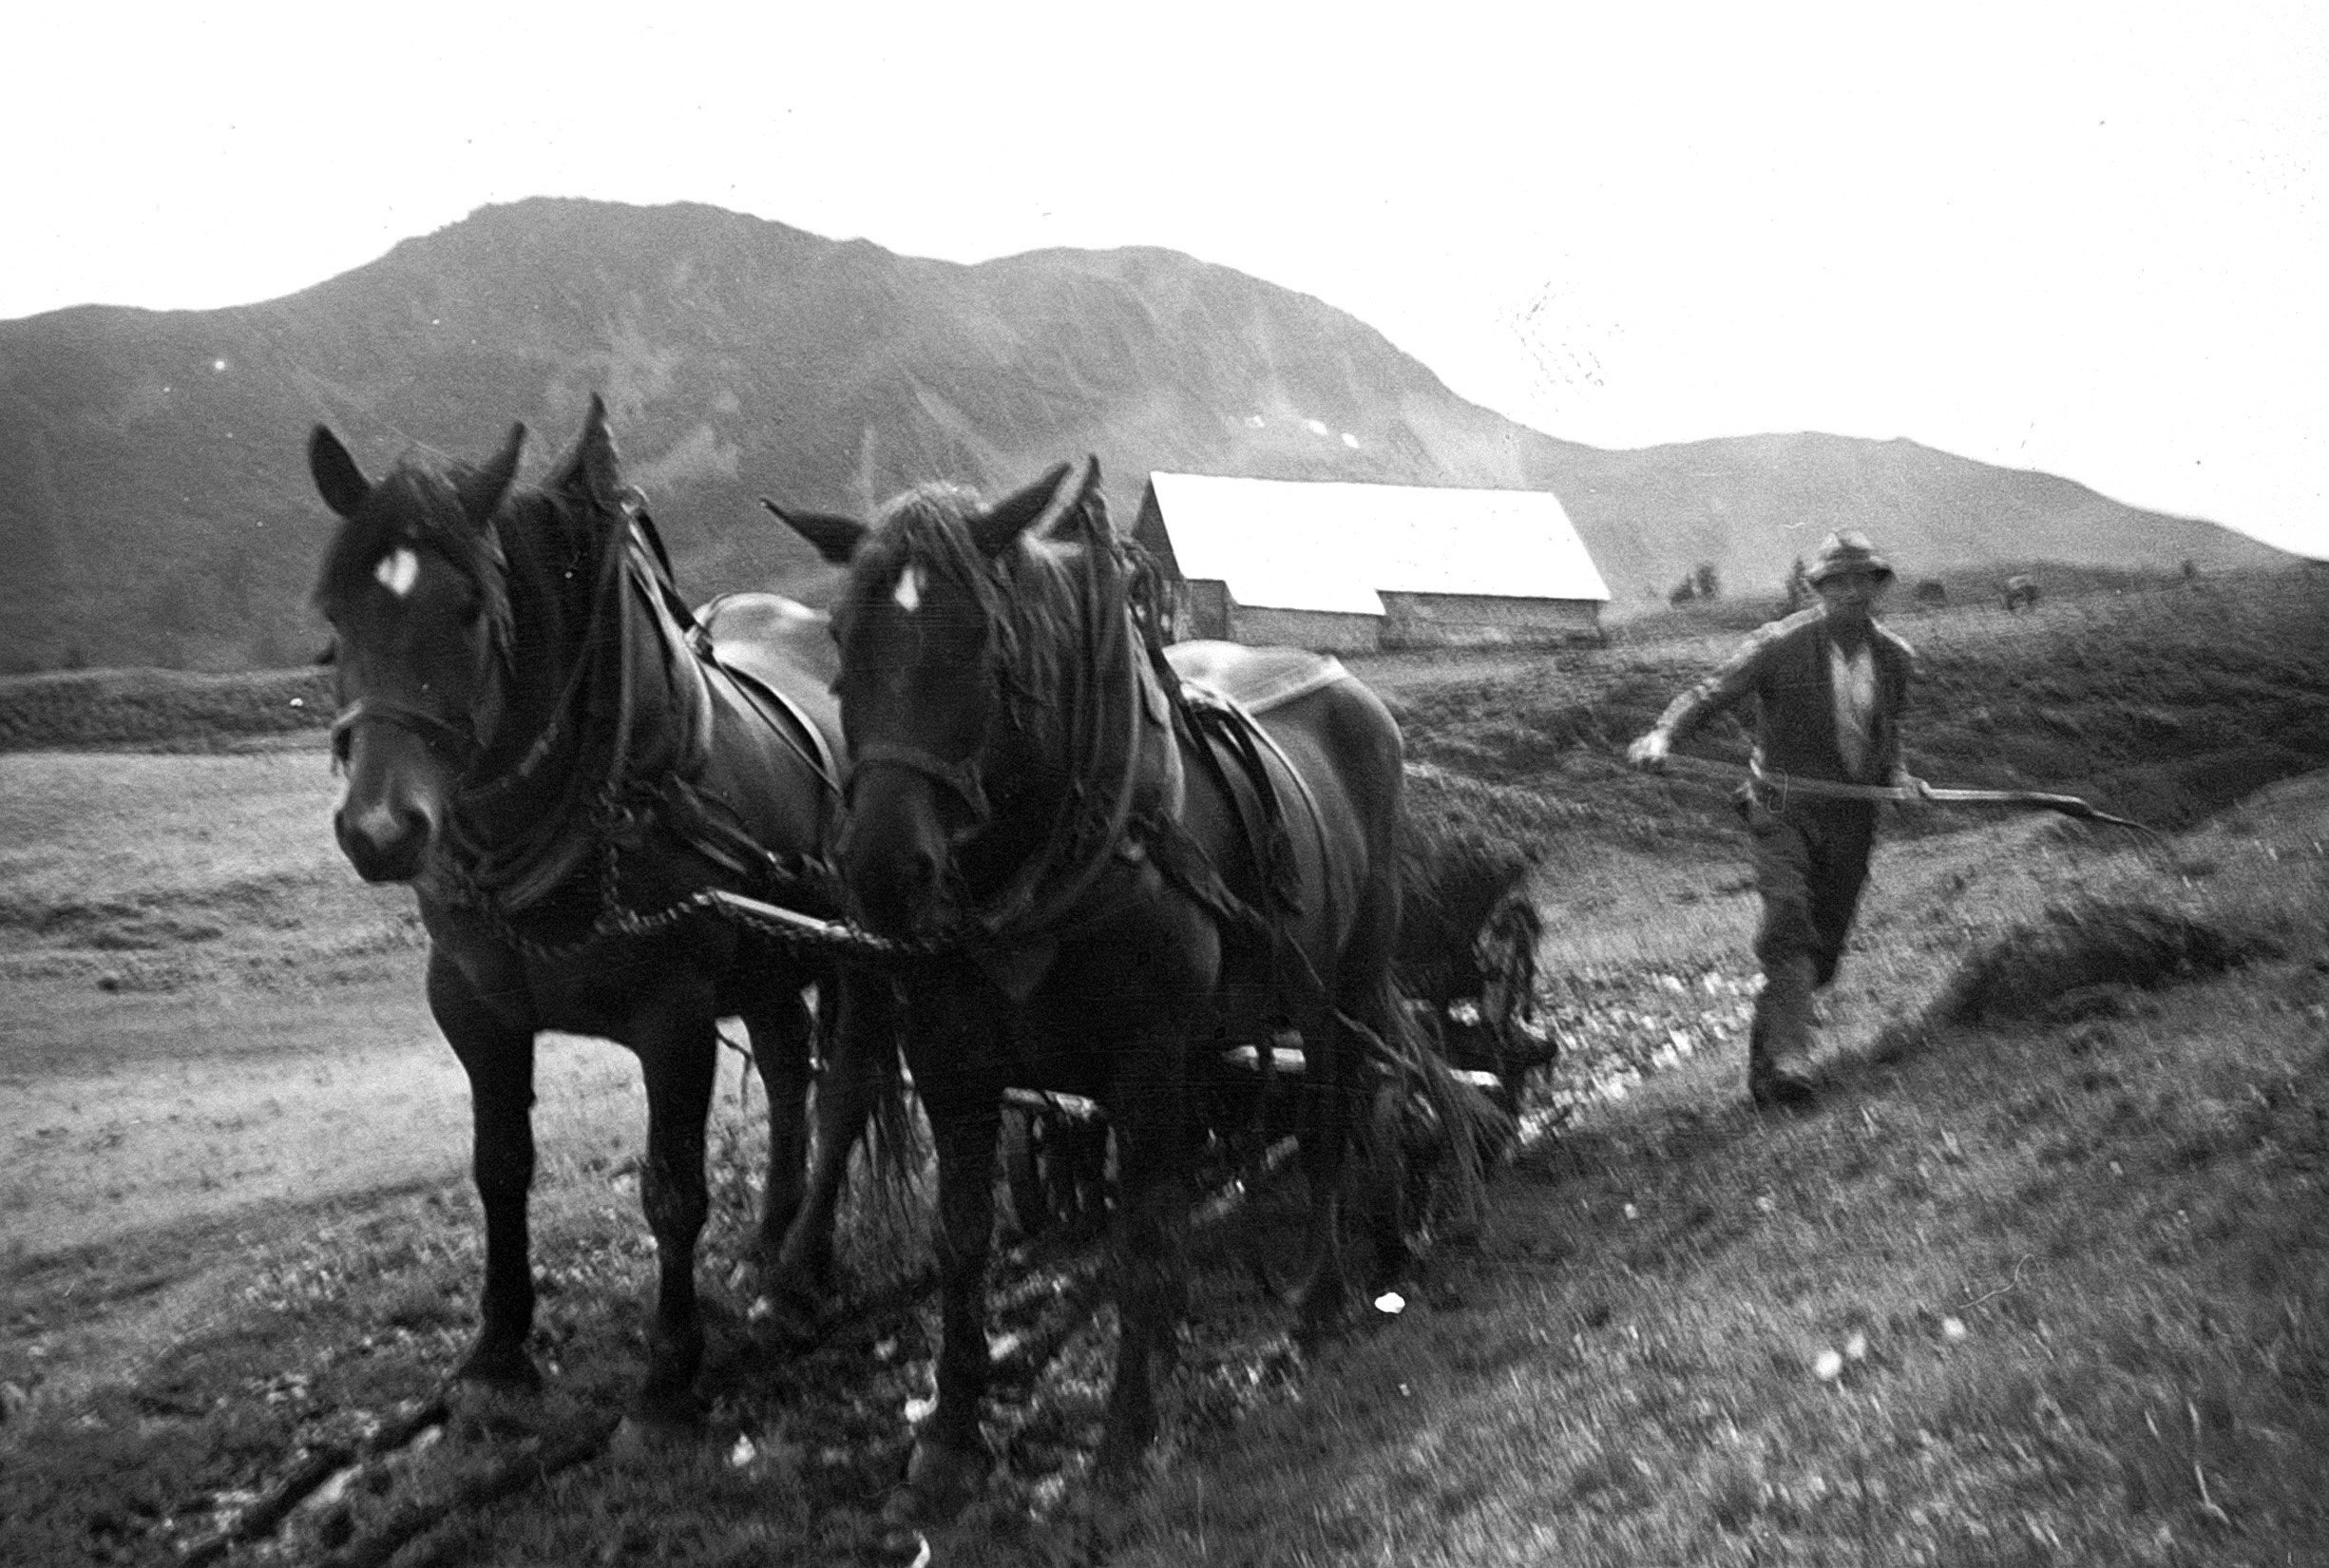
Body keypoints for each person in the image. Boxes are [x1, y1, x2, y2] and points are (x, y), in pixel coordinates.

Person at [1626, 531, 1930, 1109]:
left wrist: (1899, 777)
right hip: (1781, 808)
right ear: (1818, 589)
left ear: (1877, 588)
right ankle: (1792, 1057)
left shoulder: (1895, 658)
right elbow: (1710, 693)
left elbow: (1886, 737)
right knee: (1789, 920)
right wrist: (1663, 734)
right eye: (1837, 583)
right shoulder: (1778, 645)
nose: (1850, 593)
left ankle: (1770, 1065)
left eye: (1861, 582)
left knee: (1823, 952)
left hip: (1853, 820)